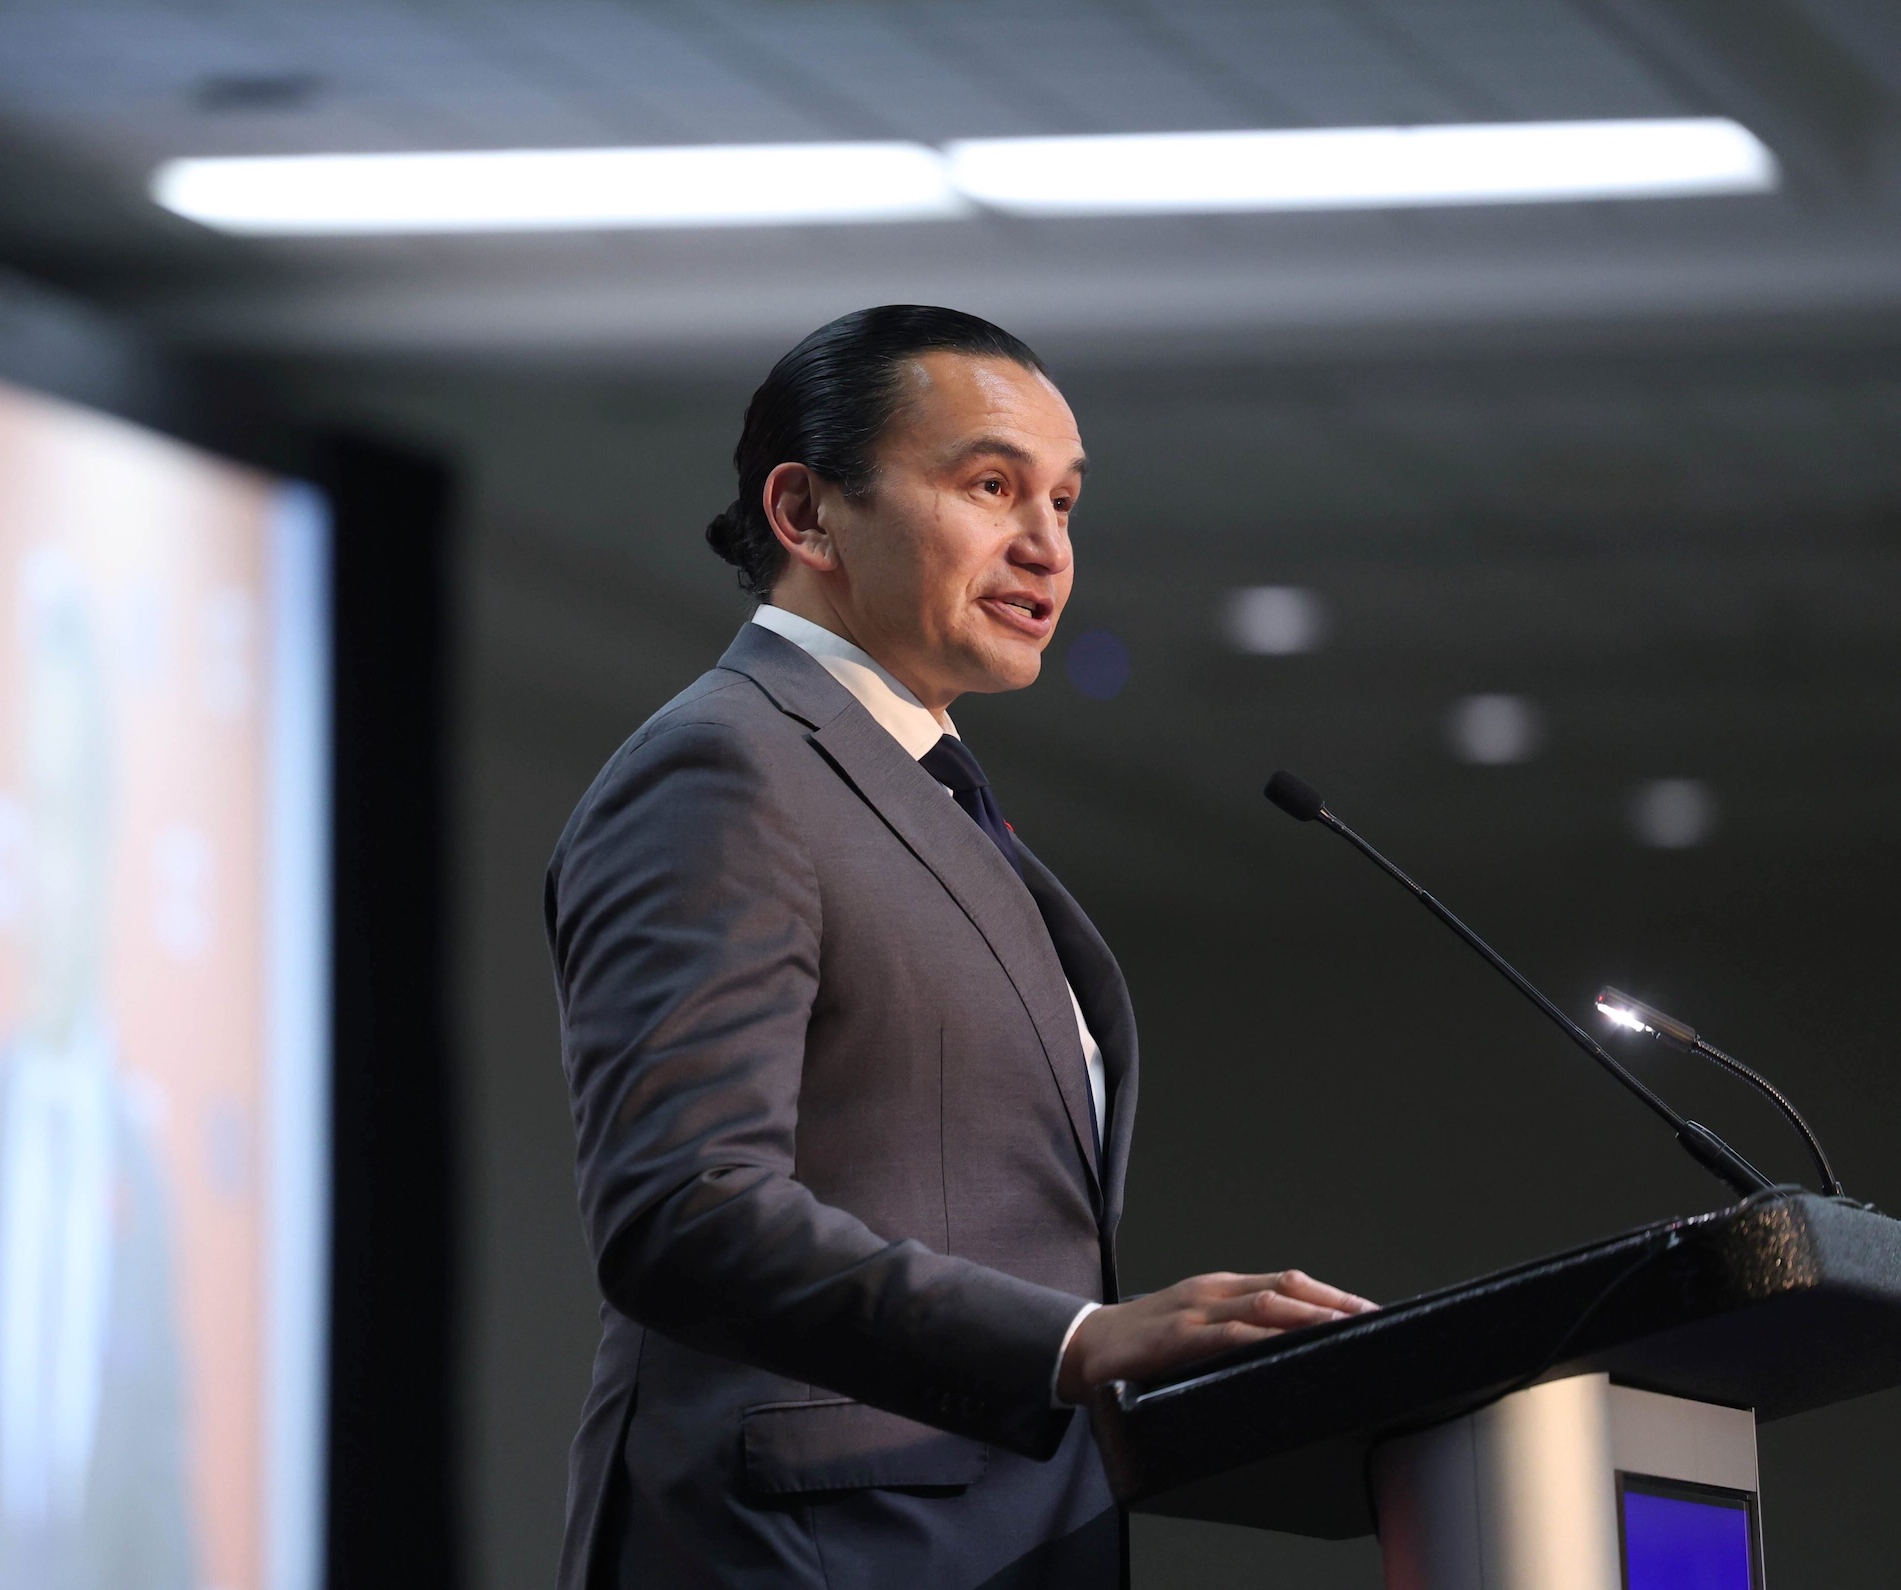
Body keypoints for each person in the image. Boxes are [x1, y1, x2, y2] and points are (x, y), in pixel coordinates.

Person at [544, 306, 1373, 1589]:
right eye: (992, 486)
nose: (1047, 547)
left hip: (993, 1534)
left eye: (1065, 502)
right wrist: (1075, 1342)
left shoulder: (920, 786)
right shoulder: (724, 767)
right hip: (808, 1548)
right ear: (806, 513)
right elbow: (684, 1211)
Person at [0, 557, 197, 1590]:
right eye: (30, 813)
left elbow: (164, 1504)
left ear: (106, 842)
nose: (45, 871)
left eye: (69, 817)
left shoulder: (143, 1175)